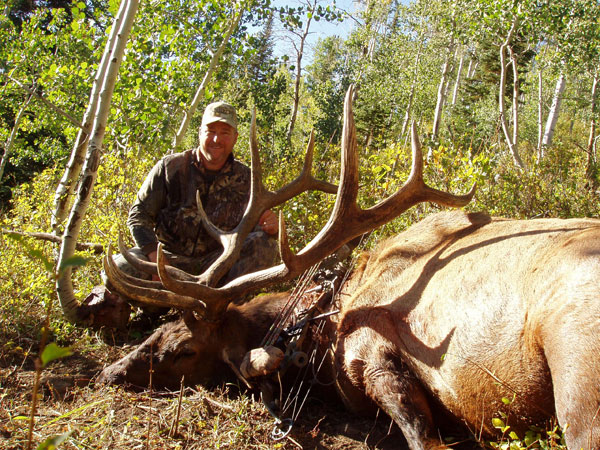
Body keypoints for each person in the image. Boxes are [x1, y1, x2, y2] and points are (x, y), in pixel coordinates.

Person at [108, 101, 279, 289]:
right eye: (211, 131)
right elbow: (138, 217)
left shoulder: (247, 178)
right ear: (200, 133)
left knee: (265, 244)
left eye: (224, 132)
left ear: (235, 137)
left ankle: (227, 310)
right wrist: (155, 260)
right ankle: (157, 309)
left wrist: (271, 226)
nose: (216, 139)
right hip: (168, 259)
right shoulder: (169, 168)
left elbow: (255, 224)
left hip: (217, 265)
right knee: (118, 269)